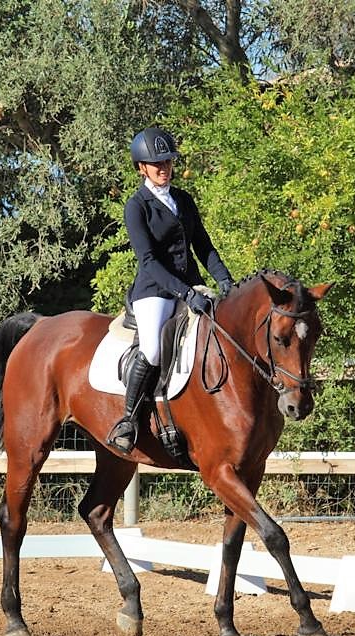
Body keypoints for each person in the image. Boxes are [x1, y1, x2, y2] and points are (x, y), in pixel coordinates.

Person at [107, 127, 234, 454]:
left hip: (192, 285)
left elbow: (204, 246)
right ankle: (129, 419)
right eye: (156, 163)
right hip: (154, 292)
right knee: (152, 349)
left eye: (167, 161)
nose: (163, 167)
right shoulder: (137, 207)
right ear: (141, 168)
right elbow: (148, 261)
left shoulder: (183, 200)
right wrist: (186, 293)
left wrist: (224, 280)